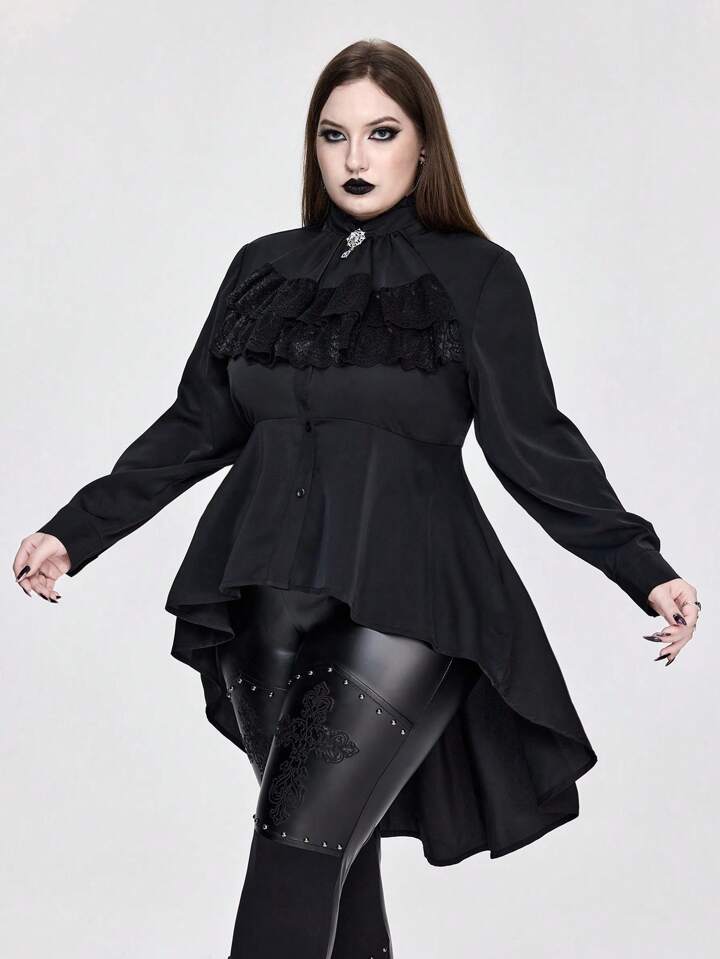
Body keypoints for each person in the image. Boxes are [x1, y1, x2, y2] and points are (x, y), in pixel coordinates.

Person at [14, 38, 699, 959]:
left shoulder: (478, 275)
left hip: (411, 598)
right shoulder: (262, 267)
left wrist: (641, 567)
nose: (355, 157)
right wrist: (75, 530)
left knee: (292, 855)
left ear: (424, 145)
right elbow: (197, 423)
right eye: (333, 135)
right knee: (334, 857)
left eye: (381, 133)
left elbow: (534, 442)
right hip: (261, 596)